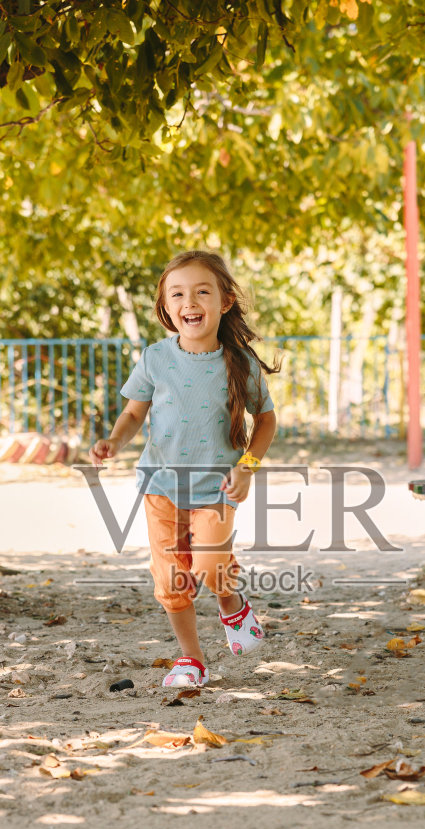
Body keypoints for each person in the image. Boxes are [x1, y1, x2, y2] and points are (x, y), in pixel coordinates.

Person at [90, 251, 279, 689]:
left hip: (217, 487)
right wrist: (114, 441)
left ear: (224, 302)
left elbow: (266, 419)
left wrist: (248, 467)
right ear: (166, 306)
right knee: (171, 580)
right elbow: (135, 413)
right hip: (160, 486)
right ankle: (192, 660)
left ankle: (231, 602)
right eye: (177, 293)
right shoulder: (155, 358)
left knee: (212, 567)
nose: (189, 301)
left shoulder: (241, 362)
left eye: (201, 291)